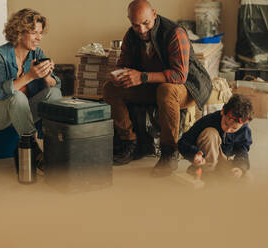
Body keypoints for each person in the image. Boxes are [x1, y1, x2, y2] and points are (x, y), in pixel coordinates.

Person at [103, 0, 212, 177]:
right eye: (136, 25)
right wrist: (118, 75)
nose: (142, 30)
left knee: (166, 90)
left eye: (146, 23)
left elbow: (179, 76)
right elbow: (123, 64)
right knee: (110, 89)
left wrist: (142, 76)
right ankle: (129, 142)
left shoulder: (174, 33)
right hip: (152, 85)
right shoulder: (131, 35)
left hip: (187, 87)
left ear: (154, 14)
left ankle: (169, 151)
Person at [0, 8, 62, 169]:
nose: (39, 38)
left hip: (21, 113)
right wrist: (29, 76)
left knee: (54, 93)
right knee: (16, 96)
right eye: (34, 32)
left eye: (40, 33)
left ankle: (53, 145)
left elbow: (56, 85)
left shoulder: (37, 52)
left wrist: (47, 76)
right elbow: (0, 93)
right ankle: (31, 146)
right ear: (20, 32)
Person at [178, 94, 253, 179]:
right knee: (210, 133)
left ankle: (216, 174)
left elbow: (242, 151)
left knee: (247, 178)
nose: (228, 130)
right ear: (222, 111)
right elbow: (182, 142)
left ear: (244, 123)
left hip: (224, 161)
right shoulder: (209, 120)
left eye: (234, 128)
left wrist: (240, 167)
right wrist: (194, 154)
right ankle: (205, 172)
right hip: (206, 161)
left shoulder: (244, 130)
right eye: (226, 124)